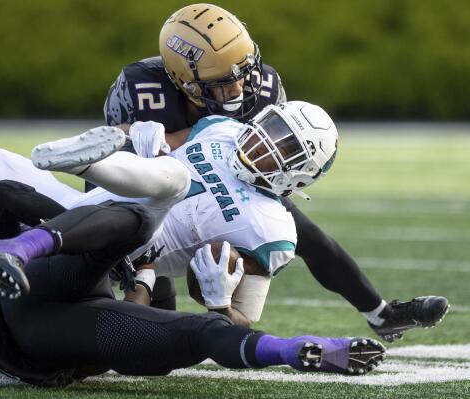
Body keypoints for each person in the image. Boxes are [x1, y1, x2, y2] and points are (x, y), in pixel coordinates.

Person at [99, 3, 449, 341]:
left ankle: (381, 315)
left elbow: (272, 162)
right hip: (157, 182)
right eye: (223, 82)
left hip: (231, 178)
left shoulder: (263, 86)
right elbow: (109, 162)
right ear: (181, 80)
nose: (240, 88)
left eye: (243, 73)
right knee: (145, 291)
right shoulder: (142, 88)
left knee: (311, 237)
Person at [0, 129, 385, 387]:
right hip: (35, 329)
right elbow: (6, 195)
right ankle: (285, 350)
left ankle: (296, 350)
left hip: (27, 317)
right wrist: (142, 274)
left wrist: (166, 284)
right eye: (272, 133)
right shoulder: (221, 134)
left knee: (138, 236)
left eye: (288, 150)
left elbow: (7, 196)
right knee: (142, 237)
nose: (270, 149)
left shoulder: (272, 227)